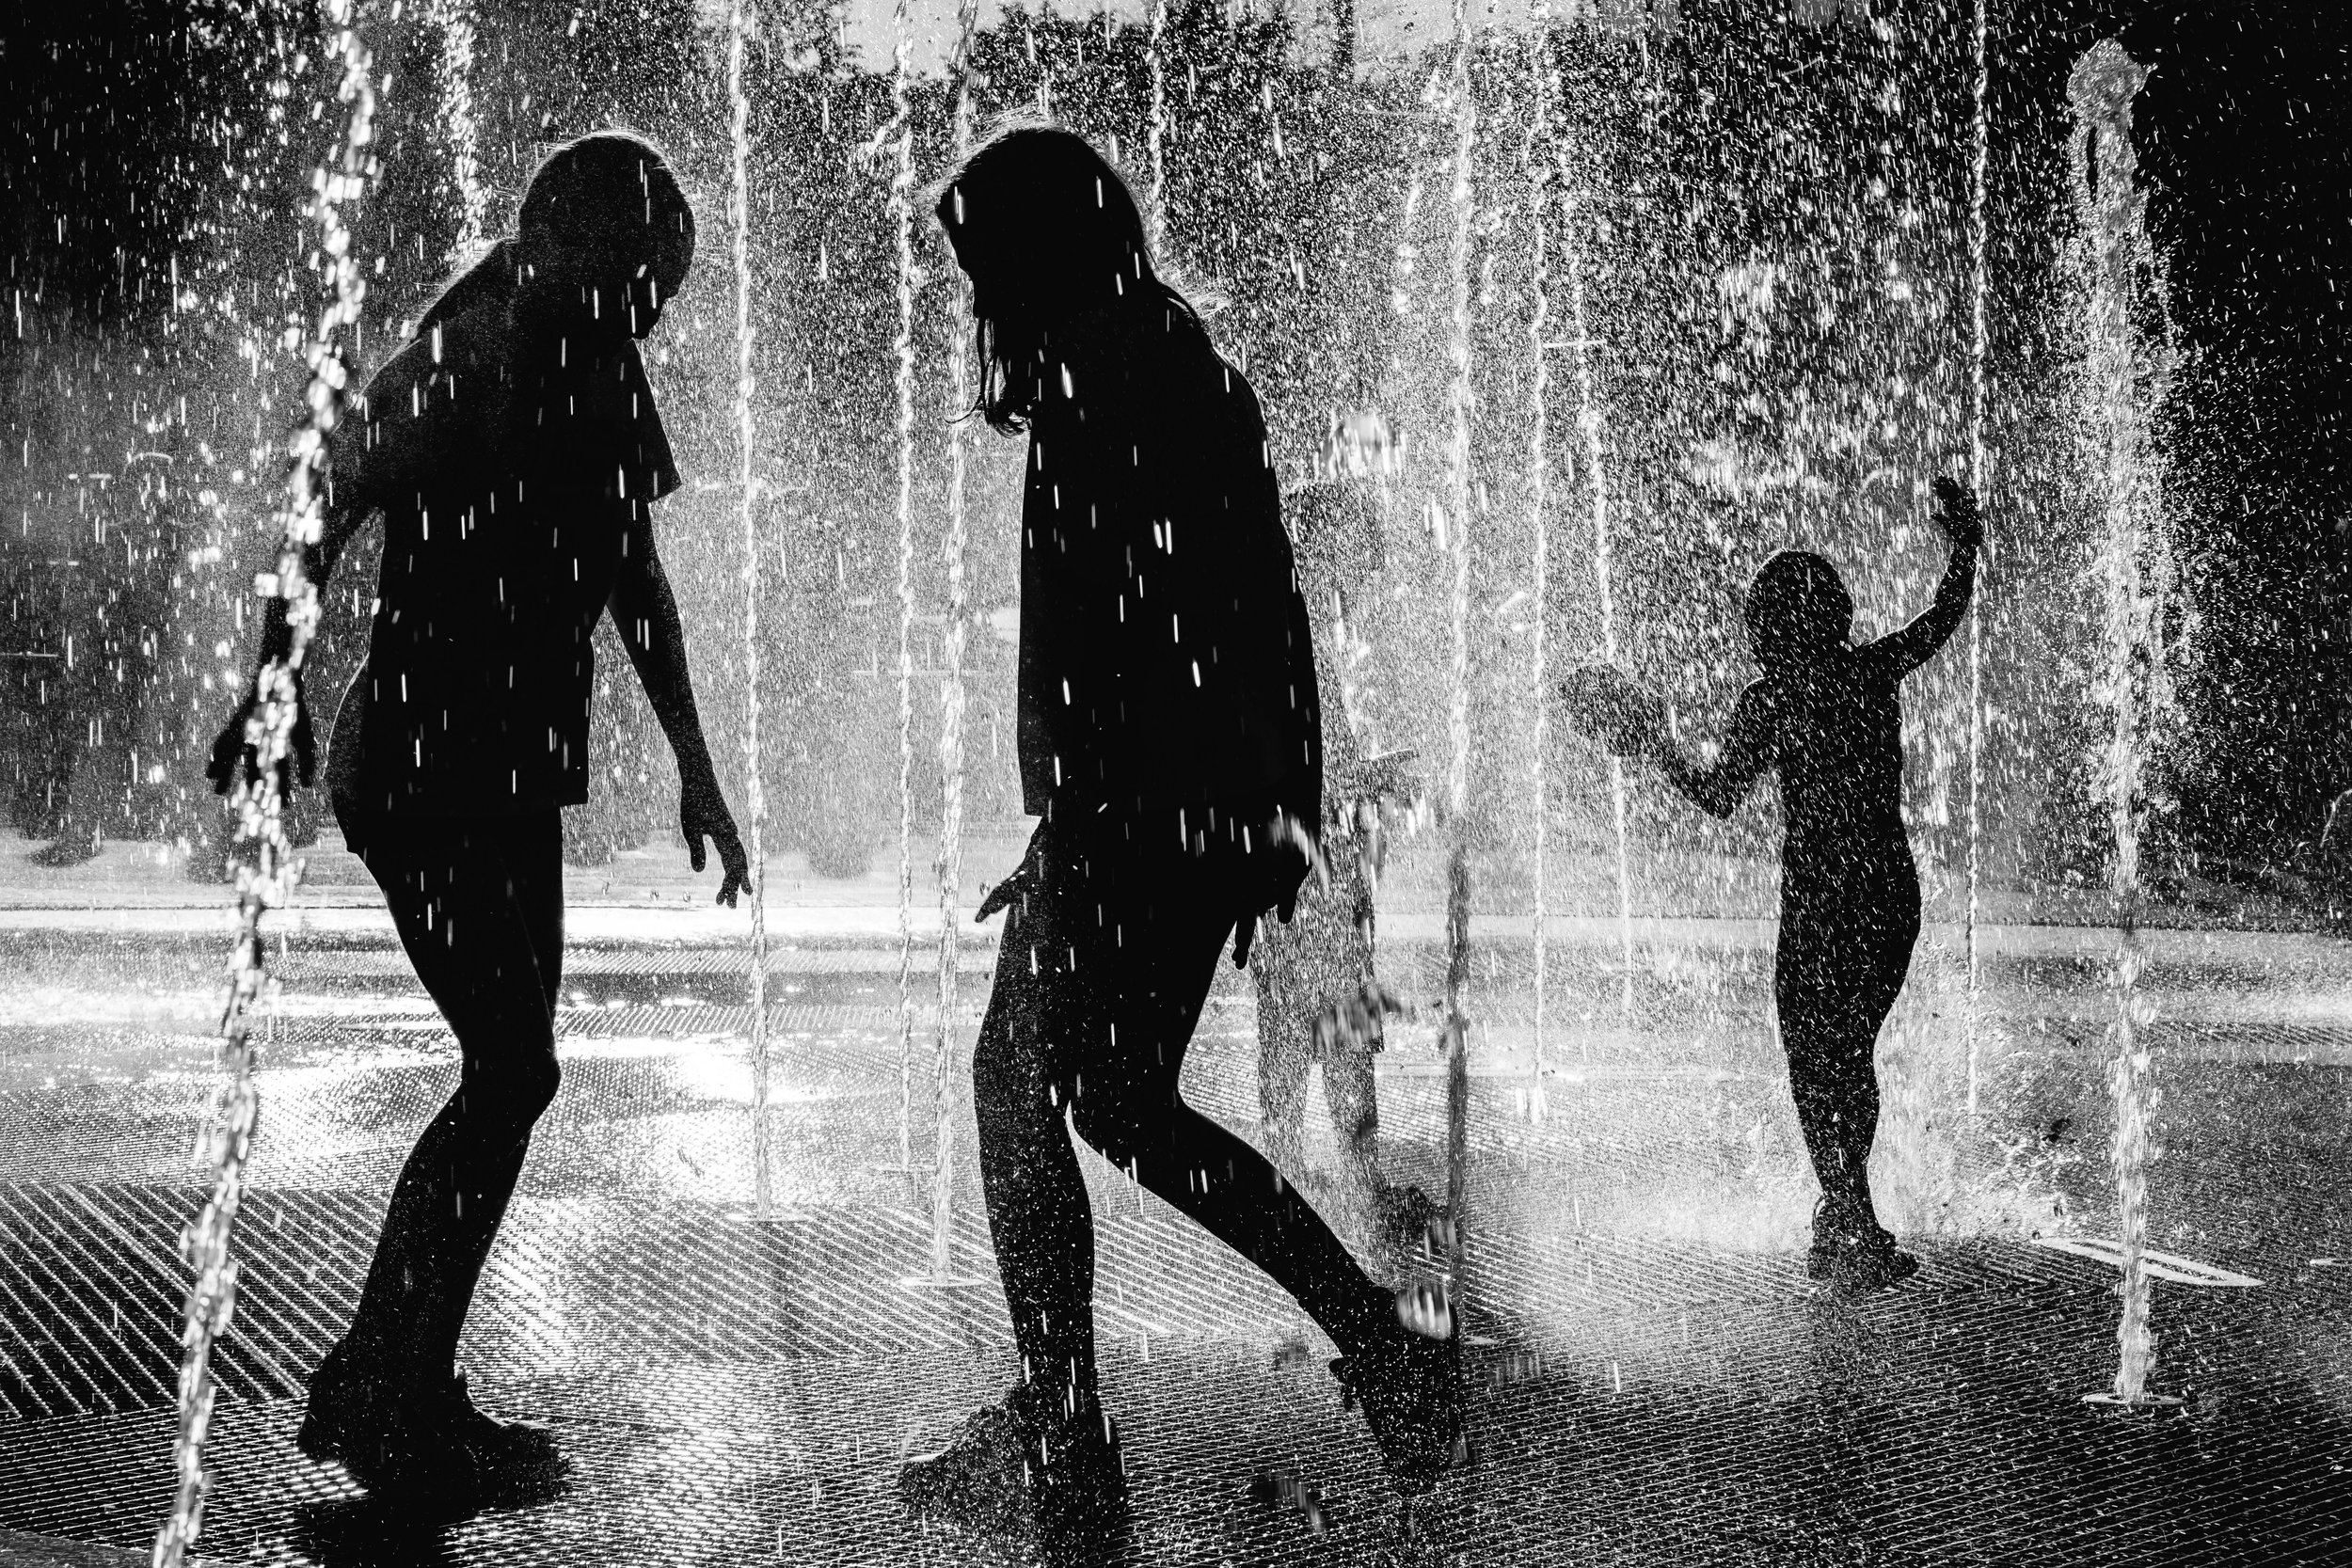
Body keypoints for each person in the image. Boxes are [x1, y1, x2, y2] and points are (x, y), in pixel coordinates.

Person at [899, 124, 1463, 1547]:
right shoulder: (1165, 357)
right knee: (1116, 1104)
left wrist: (1104, 820)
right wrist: (1269, 814)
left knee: (1020, 1088)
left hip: (1146, 810)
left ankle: (1070, 1430)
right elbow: (1253, 612)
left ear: (1031, 254)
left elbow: (1159, 631)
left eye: (980, 264)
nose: (974, 298)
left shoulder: (1111, 376)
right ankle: (1373, 1347)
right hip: (1185, 808)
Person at [208, 130, 750, 1505]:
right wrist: (270, 686)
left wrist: (695, 761)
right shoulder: (479, 344)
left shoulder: (588, 357)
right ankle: (379, 1384)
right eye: (647, 281)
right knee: (511, 1071)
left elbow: (637, 574)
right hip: (428, 768)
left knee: (516, 1072)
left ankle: (406, 1379)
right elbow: (324, 501)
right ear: (586, 249)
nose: (656, 314)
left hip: (503, 770)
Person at [1568, 477, 1982, 1291]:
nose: (1757, 634)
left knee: (1814, 1057)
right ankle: (1845, 1218)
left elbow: (1719, 794)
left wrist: (1651, 741)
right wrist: (1964, 546)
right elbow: (1943, 618)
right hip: (1885, 895)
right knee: (1846, 1052)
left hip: (1826, 900)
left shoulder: (1776, 698)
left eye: (1762, 619)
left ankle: (1850, 1218)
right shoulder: (1869, 672)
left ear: (1776, 626)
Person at [1249, 477, 1434, 1259]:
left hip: (1297, 863)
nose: (1365, 576)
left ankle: (1292, 1178)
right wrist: (1380, 780)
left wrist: (1368, 775)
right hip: (1309, 865)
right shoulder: (1293, 633)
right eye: (1359, 555)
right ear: (1325, 551)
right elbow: (1306, 762)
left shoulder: (1283, 623)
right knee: (1327, 1022)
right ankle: (1343, 1186)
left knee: (1293, 1020)